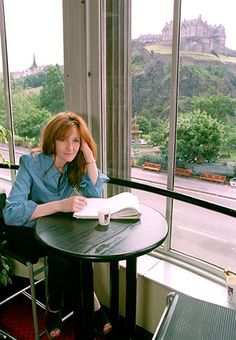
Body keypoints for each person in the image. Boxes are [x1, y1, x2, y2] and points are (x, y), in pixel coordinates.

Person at [3, 112, 112, 338]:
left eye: (76, 141)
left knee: (70, 251)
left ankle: (60, 306)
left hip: (54, 232)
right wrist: (59, 205)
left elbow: (94, 195)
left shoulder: (75, 165)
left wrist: (90, 158)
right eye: (64, 140)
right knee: (63, 254)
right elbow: (11, 213)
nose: (70, 147)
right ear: (52, 139)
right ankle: (72, 307)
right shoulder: (31, 163)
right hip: (23, 230)